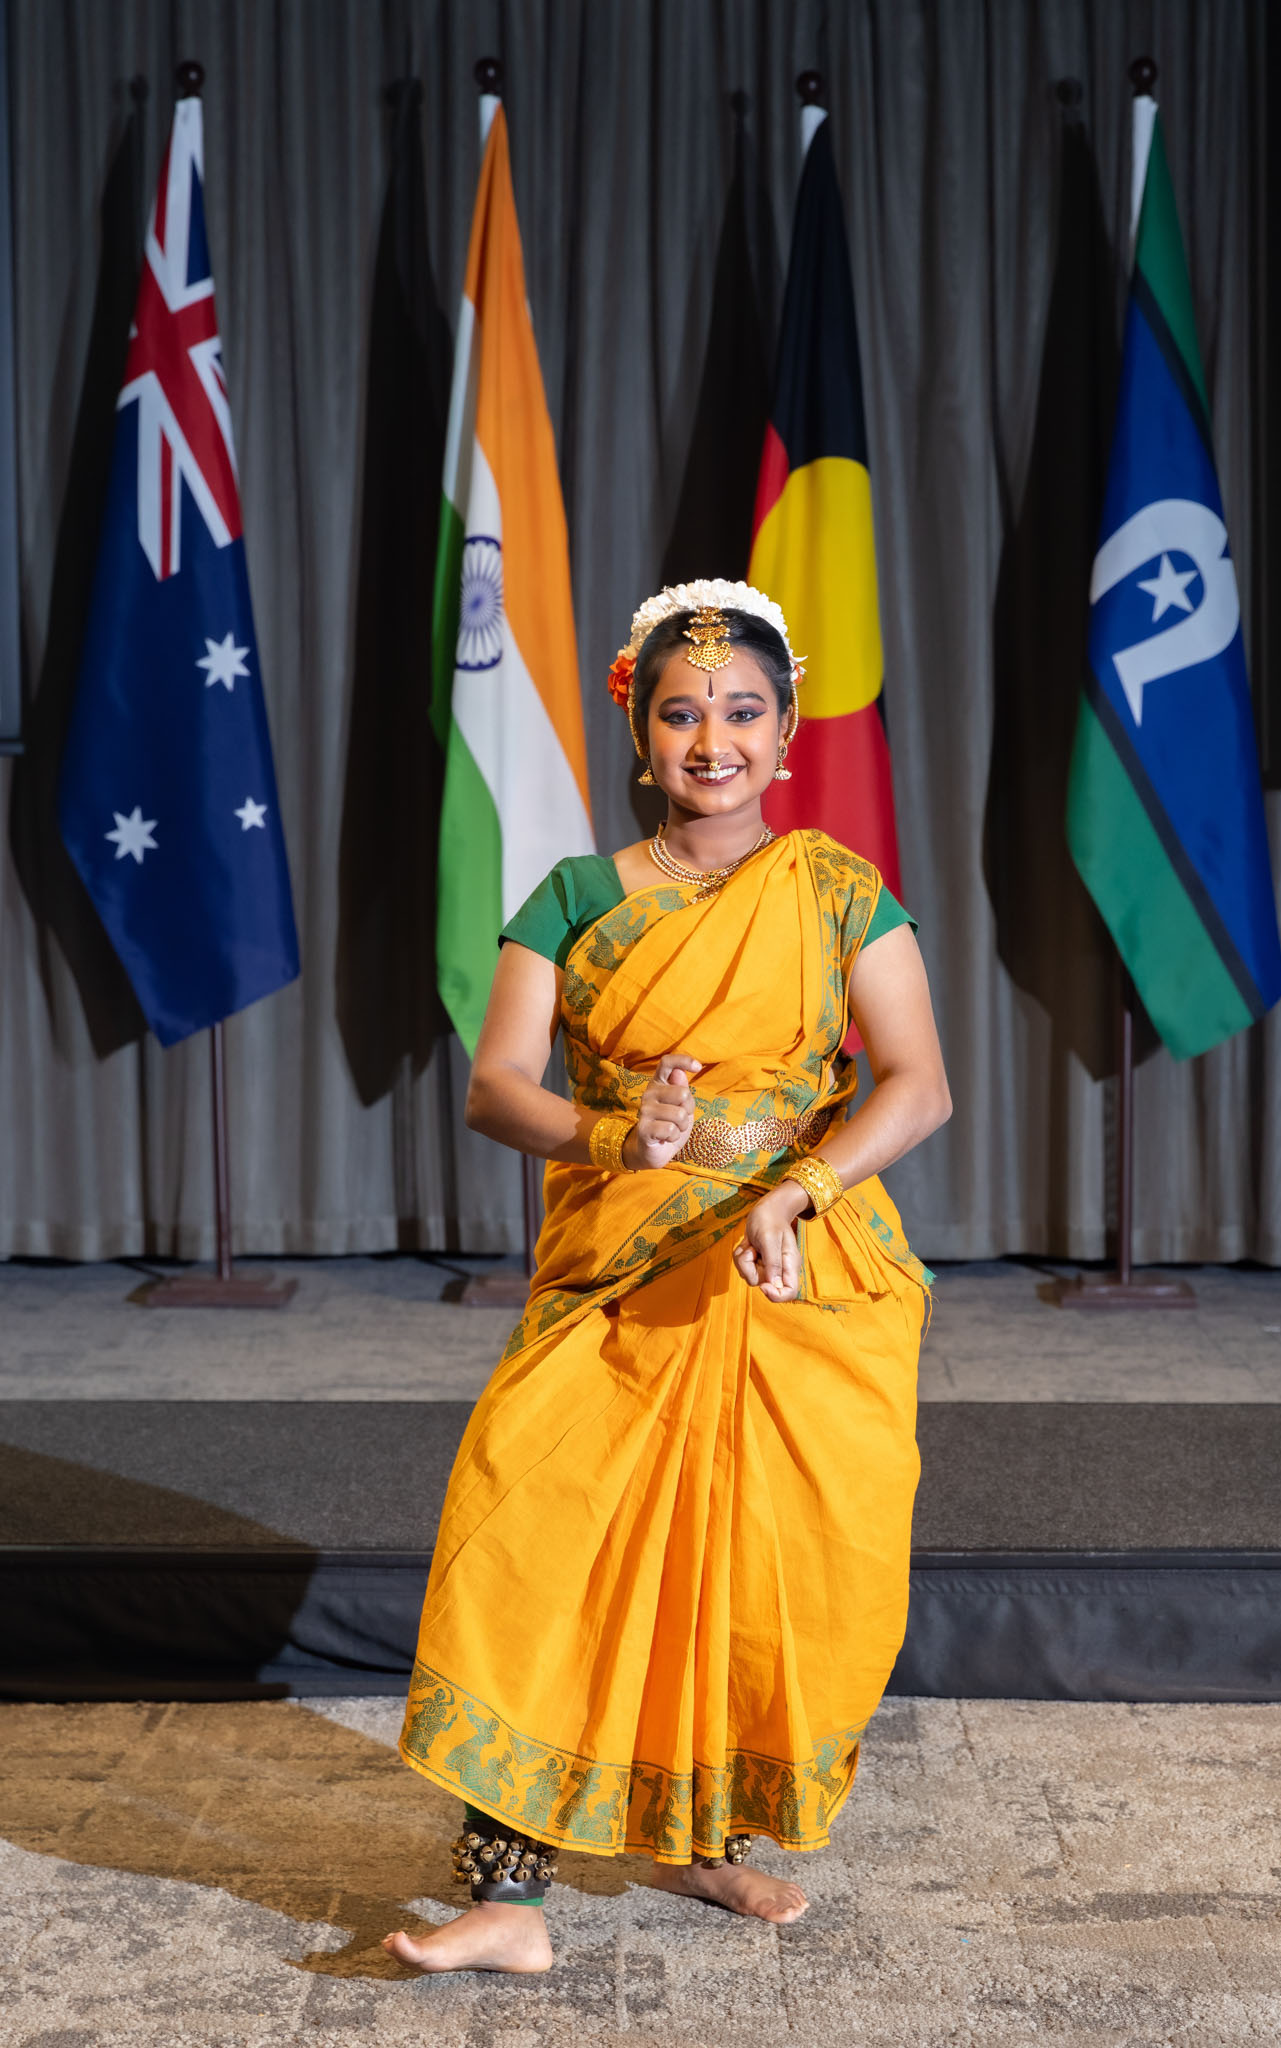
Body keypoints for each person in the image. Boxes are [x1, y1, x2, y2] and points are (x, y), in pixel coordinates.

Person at [384, 579, 950, 1976]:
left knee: (752, 1565)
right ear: (641, 735)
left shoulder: (837, 895)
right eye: (682, 713)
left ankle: (697, 1840)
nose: (713, 738)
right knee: (529, 1548)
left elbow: (919, 1084)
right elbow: (494, 1090)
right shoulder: (572, 898)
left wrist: (801, 1189)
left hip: (791, 1278)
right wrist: (608, 1133)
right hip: (617, 1279)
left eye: (741, 713)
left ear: (785, 729)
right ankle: (501, 1891)